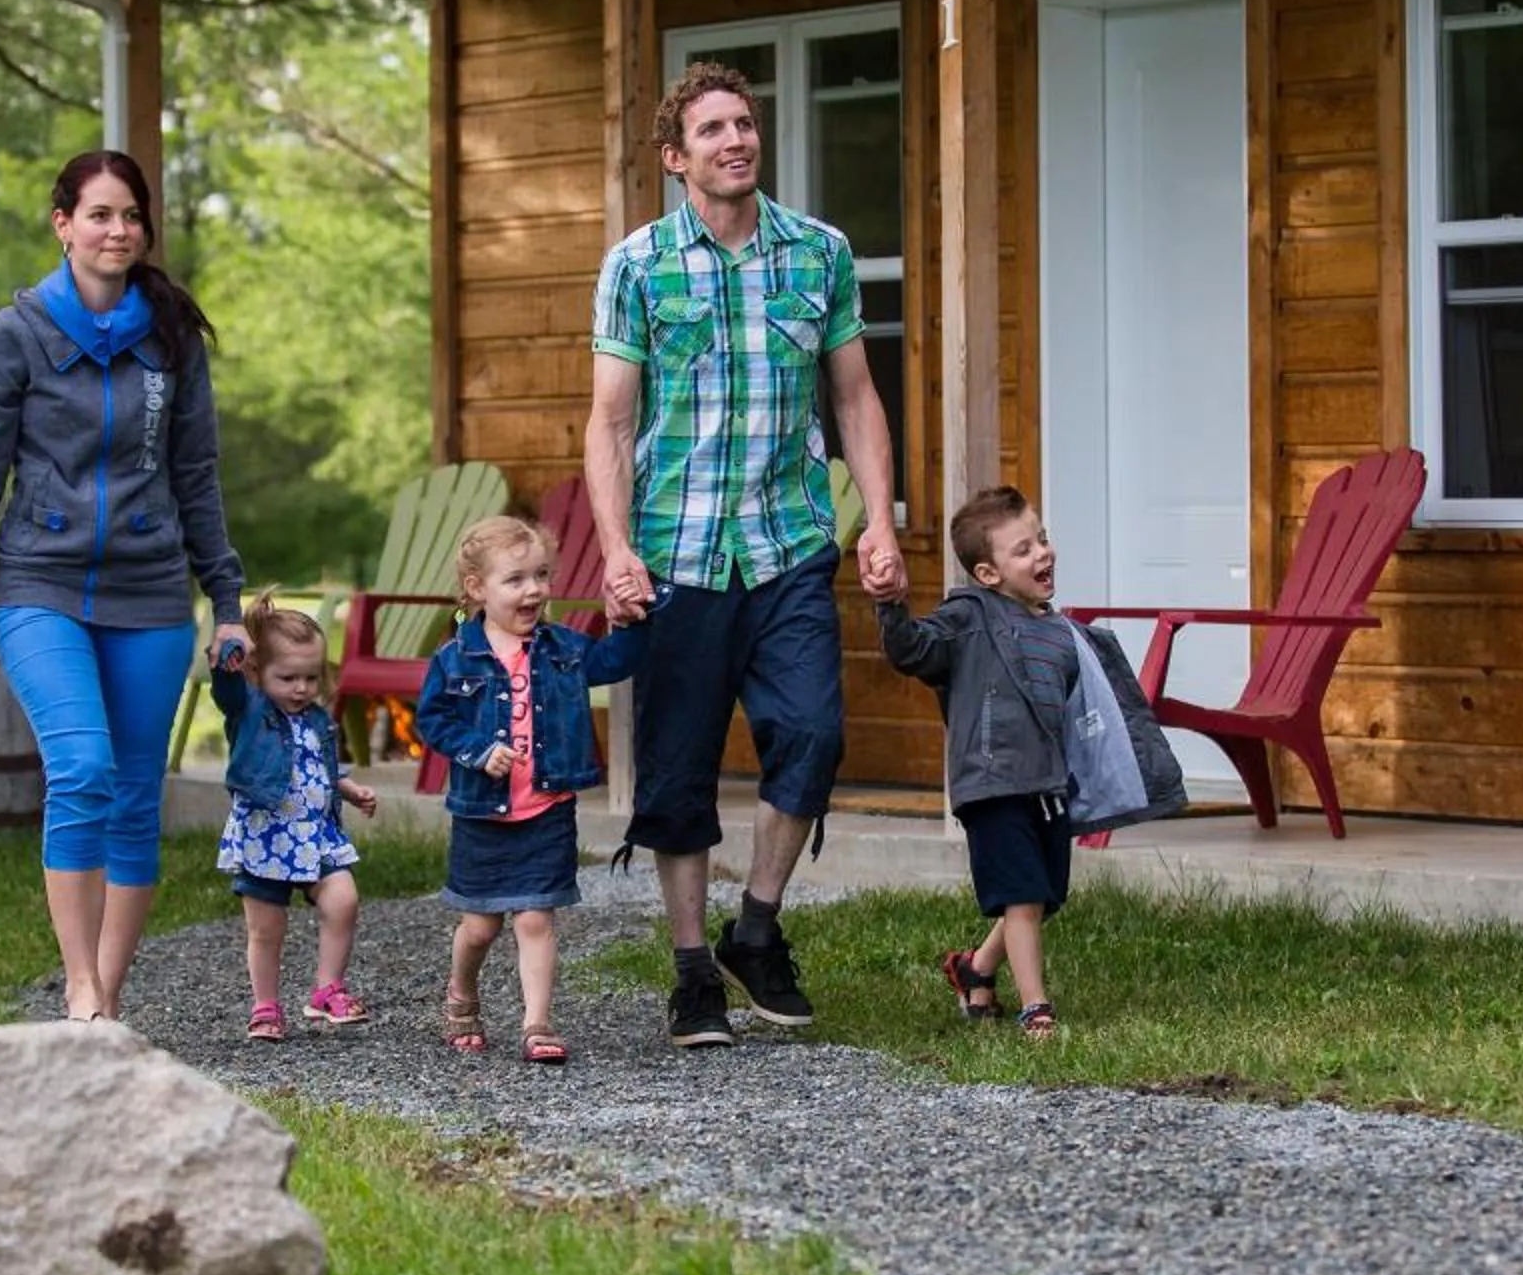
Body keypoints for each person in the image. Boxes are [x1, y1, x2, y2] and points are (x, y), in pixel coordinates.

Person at [587, 59, 907, 1049]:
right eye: (714, 129)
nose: (737, 139)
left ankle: (756, 926)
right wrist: (615, 550)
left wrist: (883, 523)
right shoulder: (638, 265)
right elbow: (609, 420)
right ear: (677, 156)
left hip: (791, 543)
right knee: (677, 771)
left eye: (746, 124)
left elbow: (853, 397)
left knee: (810, 734)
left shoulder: (819, 253)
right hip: (678, 554)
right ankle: (692, 970)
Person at [0, 149, 246, 1026]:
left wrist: (226, 603)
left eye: (131, 216)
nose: (118, 231)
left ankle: (107, 996)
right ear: (63, 224)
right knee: (83, 768)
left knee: (135, 797)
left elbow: (198, 475)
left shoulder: (169, 338)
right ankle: (78, 988)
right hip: (41, 586)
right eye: (99, 214)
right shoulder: (19, 334)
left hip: (150, 598)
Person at [870, 485, 1188, 1037]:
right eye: (1023, 550)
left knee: (1042, 897)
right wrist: (890, 604)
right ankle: (1035, 1008)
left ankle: (974, 969)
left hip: (1046, 784)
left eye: (1041, 540)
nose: (1042, 554)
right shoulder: (967, 618)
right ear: (988, 573)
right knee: (1021, 897)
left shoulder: (1060, 632)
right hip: (991, 784)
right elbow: (912, 650)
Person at [414, 515, 651, 1065]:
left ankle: (537, 1022)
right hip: (483, 816)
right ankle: (462, 995)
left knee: (536, 918)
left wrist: (638, 616)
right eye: (516, 579)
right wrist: (476, 748)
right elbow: (434, 720)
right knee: (479, 925)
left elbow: (614, 660)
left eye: (541, 576)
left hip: (546, 809)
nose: (534, 590)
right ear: (477, 589)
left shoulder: (561, 649)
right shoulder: (455, 659)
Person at [213, 595, 381, 1042]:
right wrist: (228, 660)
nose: (301, 688)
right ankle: (265, 1006)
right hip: (266, 835)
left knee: (342, 899)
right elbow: (226, 692)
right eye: (287, 677)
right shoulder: (250, 711)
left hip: (316, 832)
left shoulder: (317, 718)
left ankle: (327, 989)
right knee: (267, 929)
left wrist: (346, 787)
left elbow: (316, 765)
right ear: (255, 673)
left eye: (311, 676)